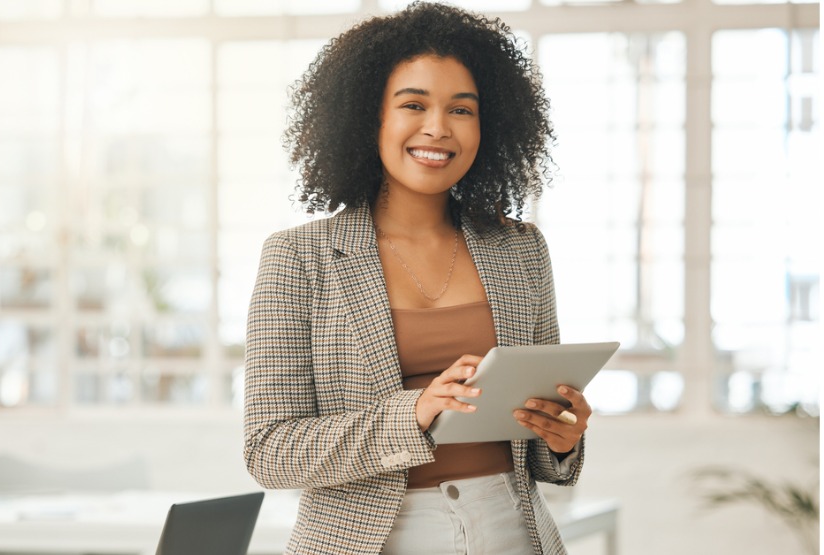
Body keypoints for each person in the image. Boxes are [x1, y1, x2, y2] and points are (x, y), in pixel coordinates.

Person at [242, 3, 591, 554]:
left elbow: (538, 441)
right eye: (413, 104)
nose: (438, 128)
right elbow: (269, 450)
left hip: (511, 531)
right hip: (370, 540)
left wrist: (562, 436)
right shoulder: (299, 257)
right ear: (368, 117)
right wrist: (417, 410)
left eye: (462, 109)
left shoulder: (521, 249)